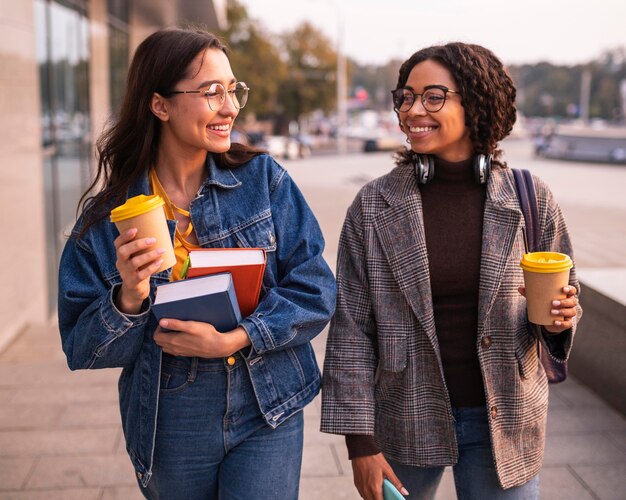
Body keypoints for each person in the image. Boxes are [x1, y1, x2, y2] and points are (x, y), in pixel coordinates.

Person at [58, 28, 336, 499]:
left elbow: (316, 288)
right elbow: (81, 350)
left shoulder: (263, 180)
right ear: (160, 105)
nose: (229, 107)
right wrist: (128, 297)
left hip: (266, 400)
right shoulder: (108, 219)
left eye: (233, 90)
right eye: (212, 93)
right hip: (172, 415)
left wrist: (237, 337)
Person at [320, 42, 582, 500]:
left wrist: (561, 320)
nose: (412, 109)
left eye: (433, 96)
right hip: (404, 415)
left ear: (475, 103)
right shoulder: (372, 205)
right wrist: (360, 442)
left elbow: (560, 302)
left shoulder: (529, 197)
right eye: (405, 96)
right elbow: (351, 330)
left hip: (505, 416)